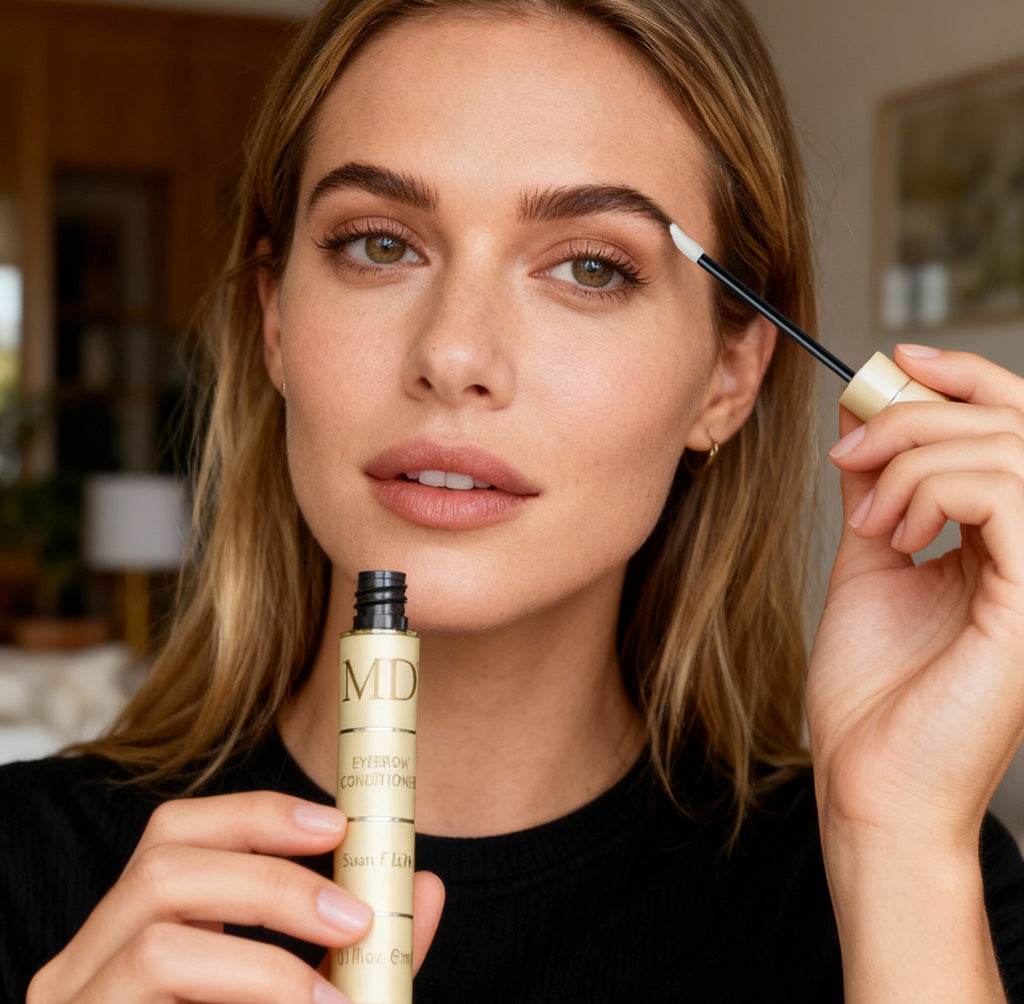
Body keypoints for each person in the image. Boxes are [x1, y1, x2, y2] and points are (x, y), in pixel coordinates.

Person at [3, 0, 1024, 1000]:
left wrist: (897, 846)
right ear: (274, 320)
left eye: (589, 266)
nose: (453, 353)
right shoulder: (28, 880)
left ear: (728, 377)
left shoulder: (907, 878)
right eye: (379, 244)